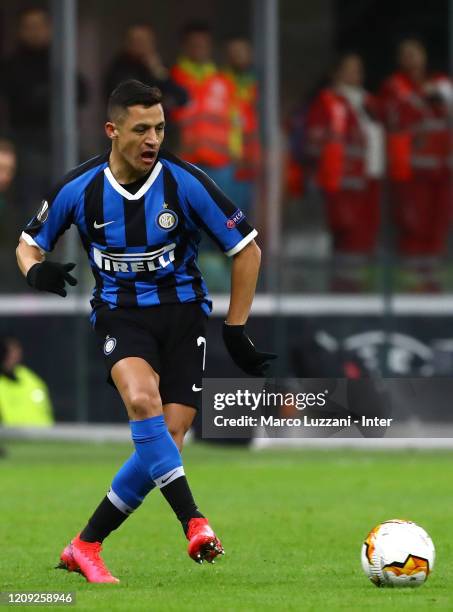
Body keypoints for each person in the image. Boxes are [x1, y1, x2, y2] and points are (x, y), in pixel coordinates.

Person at [16, 80, 275, 583]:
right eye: (140, 129)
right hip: (121, 317)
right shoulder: (80, 188)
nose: (152, 138)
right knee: (143, 402)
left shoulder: (185, 182)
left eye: (159, 127)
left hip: (183, 317)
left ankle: (85, 545)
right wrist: (34, 271)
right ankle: (194, 521)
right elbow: (29, 243)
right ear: (112, 130)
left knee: (166, 441)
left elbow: (247, 248)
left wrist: (236, 329)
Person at [305, 53, 384, 291]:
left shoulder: (370, 101)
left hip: (371, 179)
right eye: (349, 68)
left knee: (367, 239)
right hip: (342, 183)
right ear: (336, 73)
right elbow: (315, 142)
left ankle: (361, 289)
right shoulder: (327, 101)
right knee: (348, 239)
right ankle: (345, 291)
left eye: (358, 69)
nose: (355, 74)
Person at [379, 39, 453, 291]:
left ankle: (432, 284)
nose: (412, 58)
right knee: (413, 228)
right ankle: (413, 287)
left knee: (438, 228)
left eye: (416, 52)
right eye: (406, 54)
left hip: (442, 171)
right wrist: (426, 97)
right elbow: (397, 115)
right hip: (412, 172)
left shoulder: (441, 82)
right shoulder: (395, 86)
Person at [0, 8, 87, 219]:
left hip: (60, 140)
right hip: (26, 140)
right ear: (20, 31)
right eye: (29, 27)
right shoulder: (13, 66)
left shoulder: (59, 61)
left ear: (49, 29)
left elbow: (82, 93)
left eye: (39, 26)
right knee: (32, 199)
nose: (35, 32)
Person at [170, 22, 238, 198]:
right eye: (194, 44)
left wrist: (236, 153)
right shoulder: (173, 79)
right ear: (184, 46)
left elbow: (234, 120)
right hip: (183, 163)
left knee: (221, 221)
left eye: (203, 45)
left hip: (220, 165)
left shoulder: (223, 81)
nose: (199, 49)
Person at [104, 25, 187, 115]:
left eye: (145, 41)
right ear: (127, 44)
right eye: (136, 41)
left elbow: (181, 98)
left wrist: (158, 71)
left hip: (161, 124)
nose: (140, 45)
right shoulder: (119, 68)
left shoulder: (159, 67)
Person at [222, 38, 261, 220]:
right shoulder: (221, 82)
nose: (237, 57)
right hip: (232, 156)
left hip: (256, 156)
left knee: (254, 213)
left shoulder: (261, 84)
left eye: (241, 52)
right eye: (233, 53)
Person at [0, 336, 54, 427]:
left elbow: (46, 412)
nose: (13, 355)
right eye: (7, 351)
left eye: (15, 350)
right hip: (9, 440)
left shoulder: (31, 379)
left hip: (43, 439)